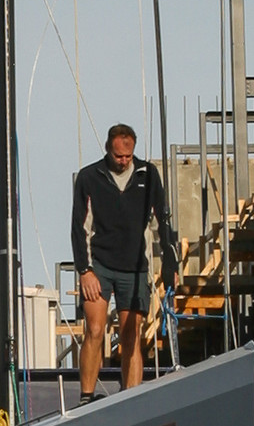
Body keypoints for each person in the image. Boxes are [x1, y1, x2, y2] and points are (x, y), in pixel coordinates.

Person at [71, 123, 178, 397]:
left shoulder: (148, 175)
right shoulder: (89, 177)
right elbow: (78, 227)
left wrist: (170, 262)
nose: (123, 161)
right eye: (119, 156)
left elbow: (163, 222)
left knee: (132, 335)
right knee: (95, 329)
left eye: (128, 156)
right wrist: (85, 270)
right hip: (100, 265)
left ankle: (131, 398)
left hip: (134, 267)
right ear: (108, 149)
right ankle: (86, 397)